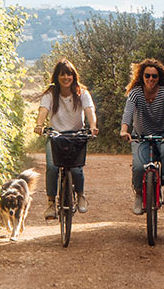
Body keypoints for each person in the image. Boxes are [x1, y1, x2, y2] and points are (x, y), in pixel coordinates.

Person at [34, 59, 98, 219]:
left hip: (76, 136)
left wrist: (93, 126)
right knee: (52, 167)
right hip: (56, 136)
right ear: (57, 77)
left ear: (74, 76)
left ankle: (81, 195)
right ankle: (51, 203)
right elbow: (43, 110)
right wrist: (39, 125)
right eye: (62, 74)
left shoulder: (82, 93)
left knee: (76, 168)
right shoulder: (50, 94)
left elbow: (89, 110)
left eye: (69, 74)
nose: (66, 78)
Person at [119, 58, 164, 215]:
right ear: (142, 76)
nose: (151, 79)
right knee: (139, 166)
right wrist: (124, 130)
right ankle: (139, 195)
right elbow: (128, 112)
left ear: (159, 78)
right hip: (141, 137)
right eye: (147, 75)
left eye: (154, 76)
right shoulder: (135, 93)